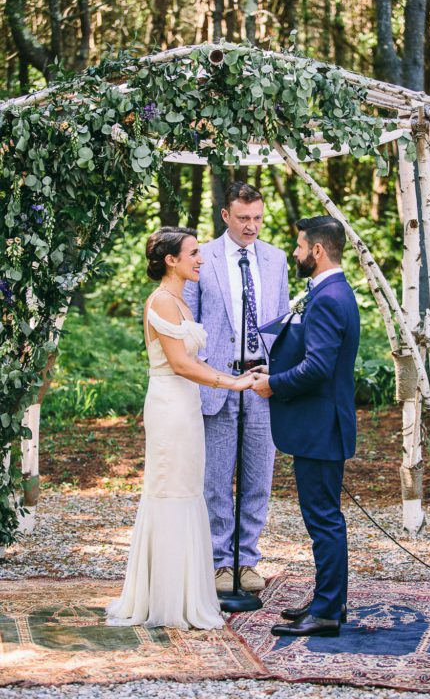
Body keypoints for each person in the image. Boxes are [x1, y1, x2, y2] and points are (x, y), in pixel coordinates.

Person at [108, 227, 254, 630]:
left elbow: (196, 364)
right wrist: (233, 383)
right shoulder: (162, 301)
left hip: (186, 404)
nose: (200, 259)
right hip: (170, 406)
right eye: (192, 253)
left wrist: (235, 372)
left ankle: (188, 592)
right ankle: (168, 601)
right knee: (171, 491)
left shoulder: (181, 300)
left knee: (189, 490)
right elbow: (182, 364)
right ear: (171, 260)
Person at [251, 216, 359, 638]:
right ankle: (328, 600)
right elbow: (313, 356)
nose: (295, 253)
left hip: (320, 428)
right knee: (323, 519)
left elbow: (319, 368)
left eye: (298, 246)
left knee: (324, 521)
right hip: (319, 425)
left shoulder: (329, 297)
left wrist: (273, 385)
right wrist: (272, 367)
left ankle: (329, 611)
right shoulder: (330, 292)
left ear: (317, 250)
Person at [183, 182, 289, 594]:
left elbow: (280, 321)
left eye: (258, 218)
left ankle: (248, 559)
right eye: (243, 218)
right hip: (217, 382)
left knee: (259, 477)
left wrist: (273, 372)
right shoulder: (202, 258)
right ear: (225, 215)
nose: (252, 226)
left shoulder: (276, 259)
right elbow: (189, 322)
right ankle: (220, 562)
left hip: (260, 383)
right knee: (216, 479)